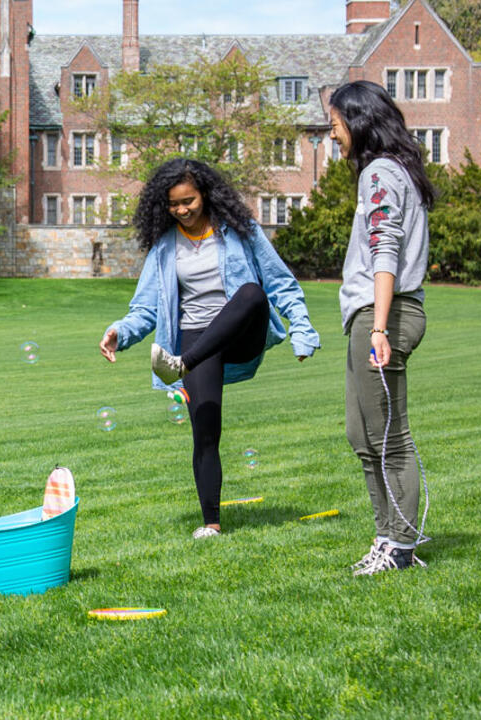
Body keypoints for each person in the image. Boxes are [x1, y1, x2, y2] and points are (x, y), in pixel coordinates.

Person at [99, 158, 320, 539]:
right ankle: (212, 524)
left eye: (189, 200)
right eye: (173, 204)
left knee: (252, 293)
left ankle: (182, 365)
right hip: (195, 339)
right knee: (205, 429)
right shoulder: (165, 246)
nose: (182, 210)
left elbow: (280, 284)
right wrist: (121, 332)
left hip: (240, 334)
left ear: (206, 194)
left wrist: (302, 330)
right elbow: (146, 307)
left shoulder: (239, 231)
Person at [328, 81, 434, 575]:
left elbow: (384, 249)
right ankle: (386, 537)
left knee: (389, 437)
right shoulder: (394, 171)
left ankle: (400, 547)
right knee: (362, 434)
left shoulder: (378, 173)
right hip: (372, 314)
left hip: (381, 315)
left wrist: (380, 326)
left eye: (335, 125)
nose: (334, 135)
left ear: (359, 121)